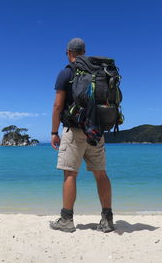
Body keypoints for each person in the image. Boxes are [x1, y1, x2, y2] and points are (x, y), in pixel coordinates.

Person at [49, 38, 114, 233]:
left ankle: (67, 220)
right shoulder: (98, 72)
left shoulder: (67, 72)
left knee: (70, 174)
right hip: (96, 130)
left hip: (74, 130)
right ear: (84, 52)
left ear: (69, 53)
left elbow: (58, 106)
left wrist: (54, 132)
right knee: (100, 174)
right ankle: (107, 219)